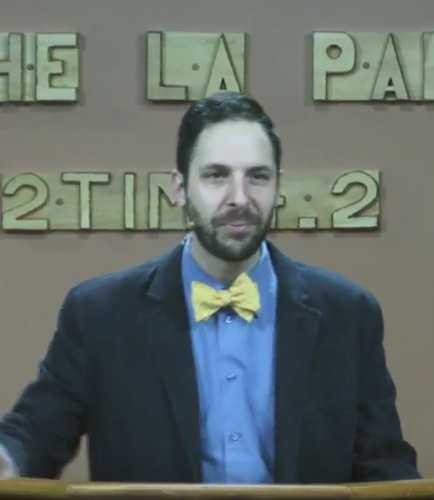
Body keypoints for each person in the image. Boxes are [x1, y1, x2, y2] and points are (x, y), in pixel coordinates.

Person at [0, 91, 421, 484]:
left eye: (257, 176)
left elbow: (385, 465)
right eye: (216, 176)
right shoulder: (100, 315)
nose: (239, 197)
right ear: (180, 188)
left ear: (278, 186)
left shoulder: (348, 314)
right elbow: (33, 435)